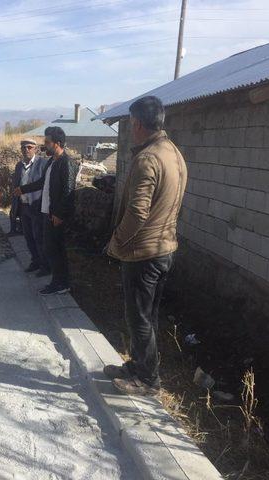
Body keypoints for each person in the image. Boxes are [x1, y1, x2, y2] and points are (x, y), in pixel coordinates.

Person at [103, 96, 188, 397]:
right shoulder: (174, 153)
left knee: (138, 316)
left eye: (129, 123)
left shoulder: (148, 158)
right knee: (147, 315)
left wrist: (116, 243)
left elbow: (138, 211)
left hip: (144, 251)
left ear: (137, 124)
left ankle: (148, 380)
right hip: (165, 248)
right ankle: (139, 366)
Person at [16, 126, 78, 295]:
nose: (45, 145)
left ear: (57, 144)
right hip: (47, 213)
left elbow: (68, 192)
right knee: (50, 249)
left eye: (47, 142)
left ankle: (61, 284)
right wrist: (24, 189)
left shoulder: (67, 163)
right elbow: (42, 183)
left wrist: (59, 214)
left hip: (56, 216)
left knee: (56, 250)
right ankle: (58, 281)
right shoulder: (52, 162)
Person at [14, 138, 50, 275]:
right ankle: (35, 261)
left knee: (39, 237)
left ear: (35, 149)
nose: (26, 150)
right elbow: (16, 185)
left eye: (29, 147)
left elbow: (44, 185)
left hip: (37, 206)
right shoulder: (19, 166)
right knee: (28, 237)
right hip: (23, 207)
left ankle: (45, 266)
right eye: (23, 147)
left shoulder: (43, 163)